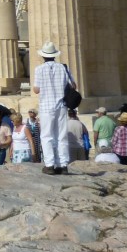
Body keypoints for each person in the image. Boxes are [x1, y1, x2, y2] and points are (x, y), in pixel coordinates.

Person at [32, 40, 74, 175]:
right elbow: (73, 85)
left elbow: (36, 90)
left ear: (43, 56)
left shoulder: (39, 69)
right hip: (61, 105)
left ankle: (50, 164)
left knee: (47, 136)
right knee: (61, 135)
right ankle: (63, 164)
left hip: (46, 105)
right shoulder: (63, 68)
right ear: (55, 55)